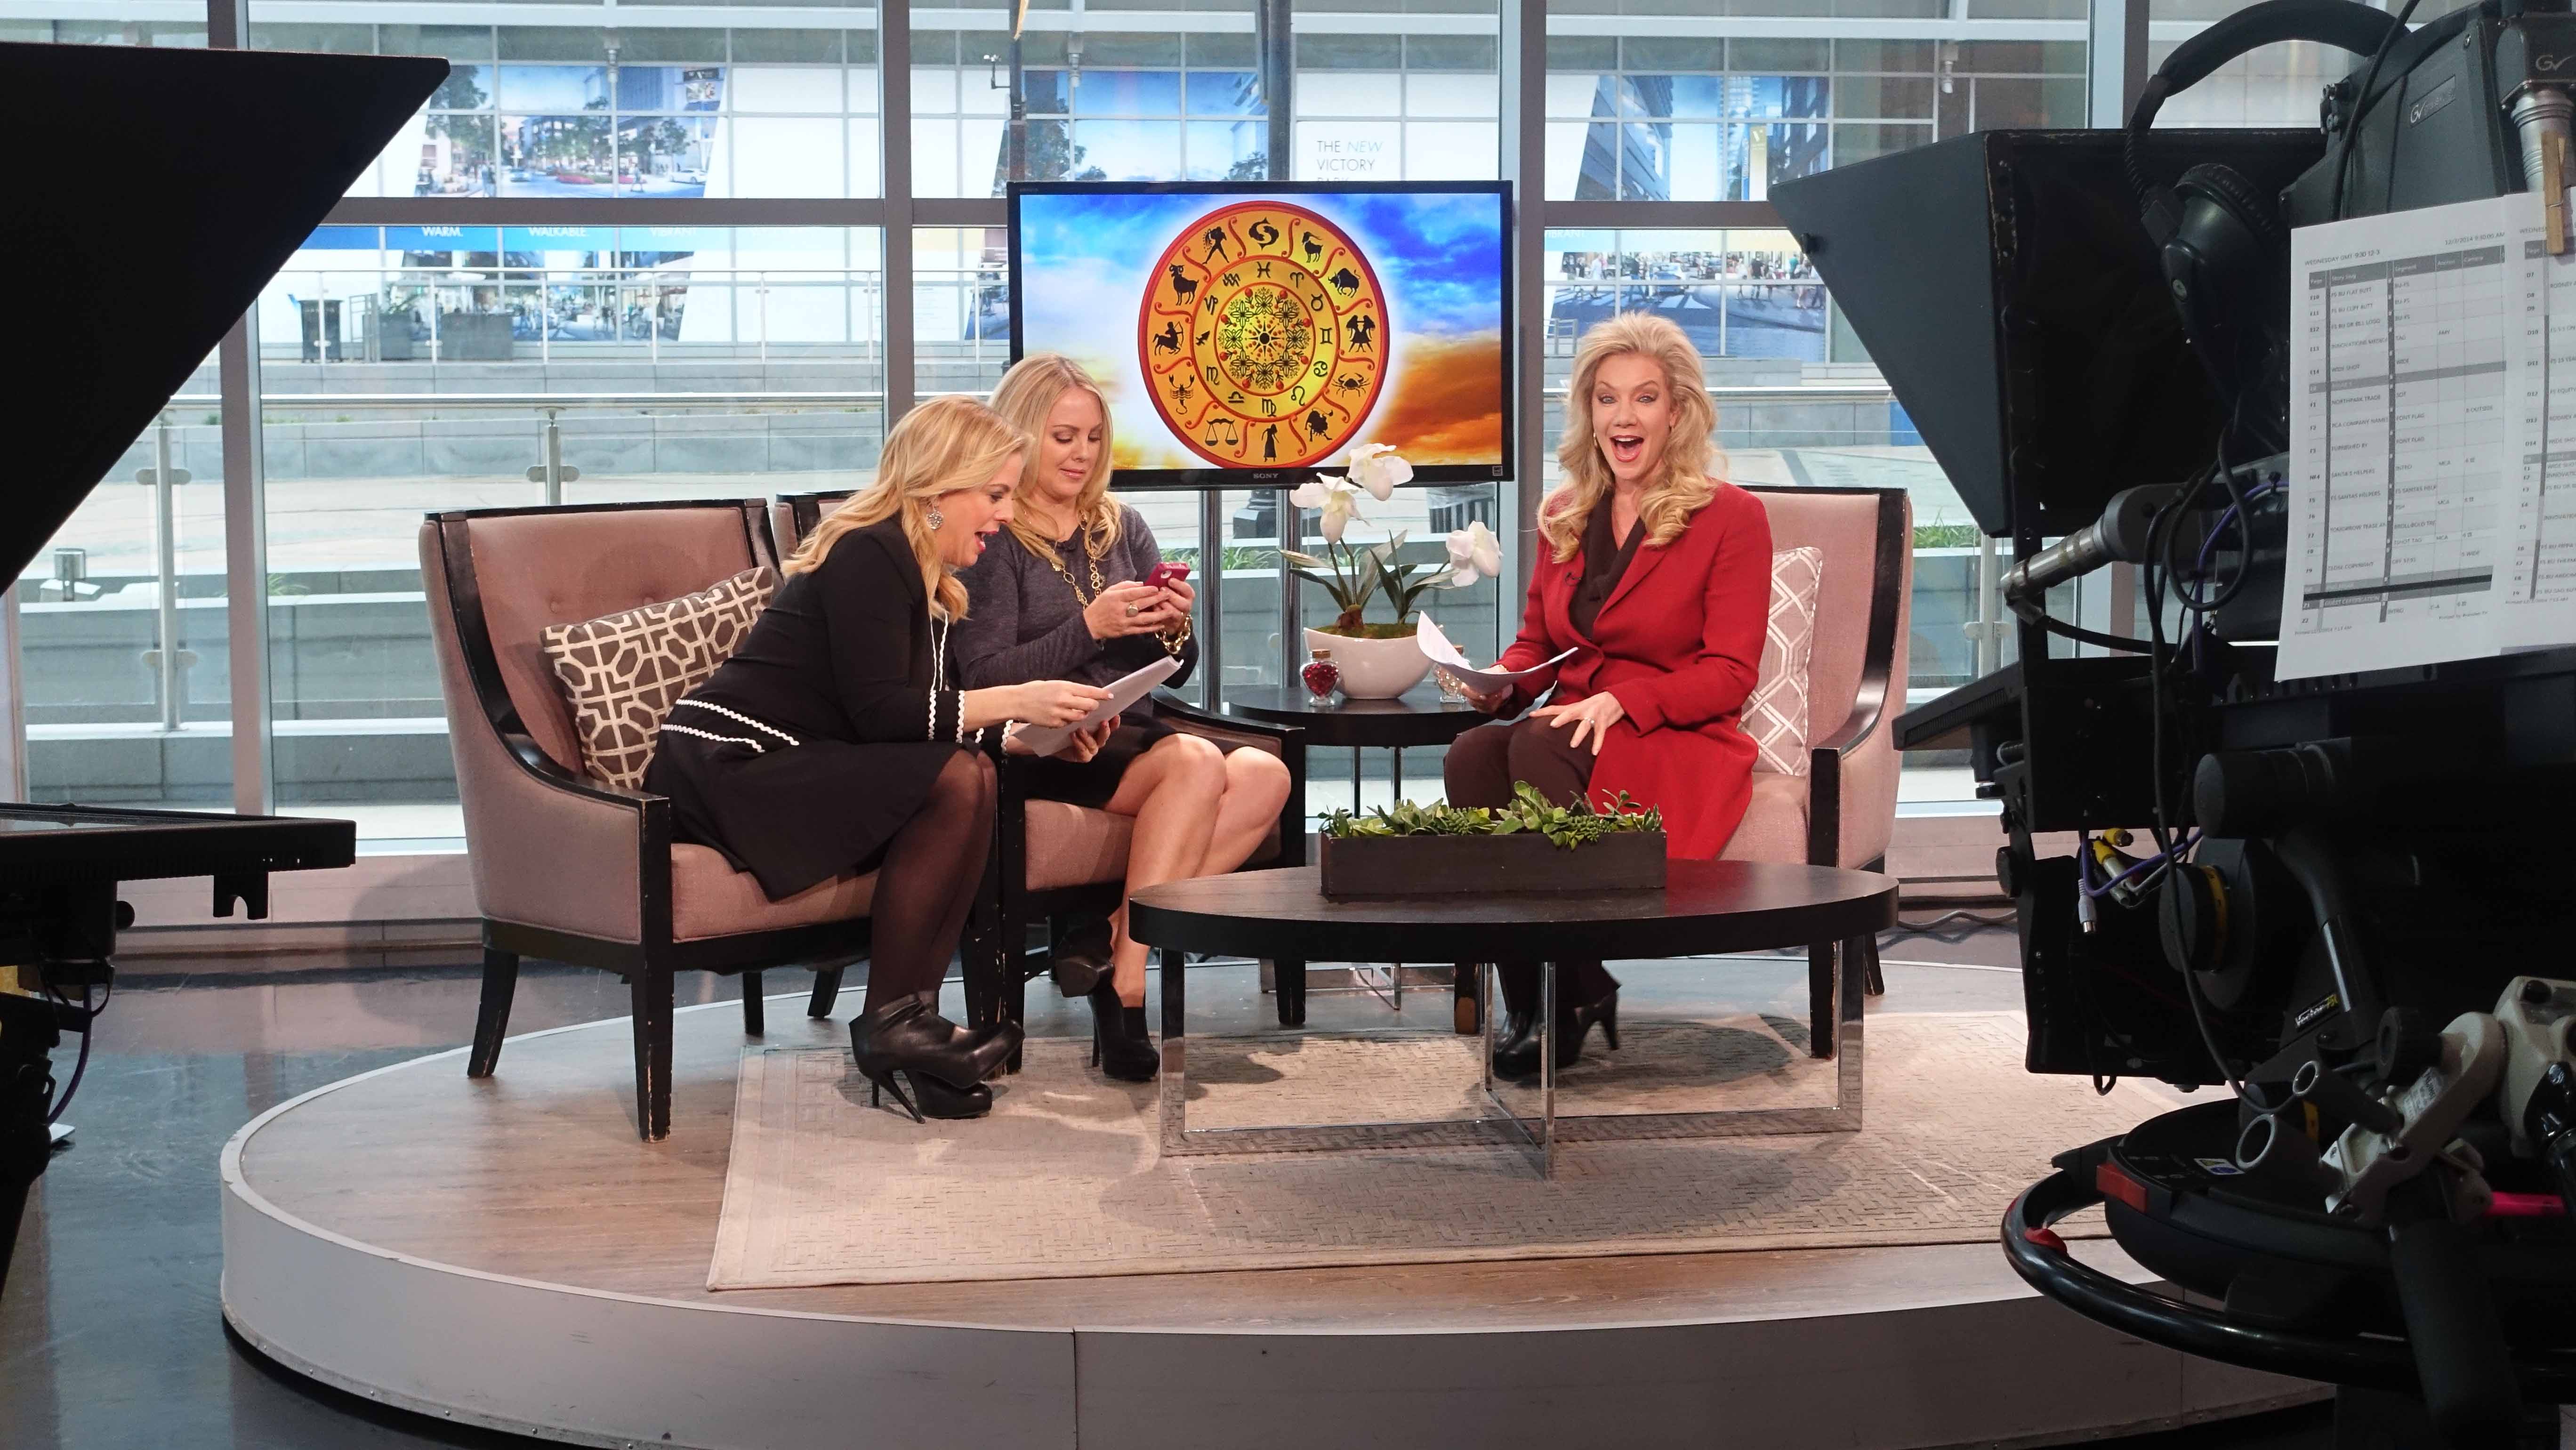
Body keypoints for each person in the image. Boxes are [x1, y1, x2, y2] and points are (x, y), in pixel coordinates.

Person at [644, 395, 1112, 1123]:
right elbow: (882, 715)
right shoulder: (871, 550)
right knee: (959, 778)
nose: (1004, 514)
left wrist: (1023, 736)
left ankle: (909, 1025)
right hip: (733, 765)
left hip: (801, 759)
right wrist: (1017, 699)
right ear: (937, 489)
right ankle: (897, 1022)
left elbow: (913, 722)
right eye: (994, 494)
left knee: (977, 772)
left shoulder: (924, 573)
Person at [1444, 312, 1773, 1079]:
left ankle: (1567, 991)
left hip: (1673, 734)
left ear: (1678, 413)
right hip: (1570, 728)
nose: (1625, 416)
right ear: (1589, 413)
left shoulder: (1731, 518)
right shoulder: (1565, 515)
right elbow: (1538, 647)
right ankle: (1548, 991)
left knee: (1537, 743)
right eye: (1607, 398)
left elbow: (1731, 672)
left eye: (1645, 398)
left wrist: (1626, 703)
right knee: (1472, 754)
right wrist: (1494, 684)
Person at [955, 354, 1294, 1084]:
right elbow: (980, 677)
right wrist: (1090, 628)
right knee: (1196, 761)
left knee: (1265, 774)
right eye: (1063, 437)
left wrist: (1174, 629)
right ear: (1022, 435)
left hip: (1129, 730)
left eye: (1092, 438)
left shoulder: (1122, 526)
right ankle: (1130, 993)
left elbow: (1177, 666)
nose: (1081, 454)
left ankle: (1111, 941)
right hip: (1044, 741)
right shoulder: (995, 538)